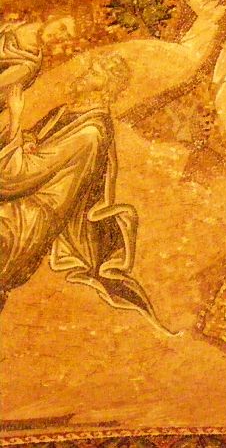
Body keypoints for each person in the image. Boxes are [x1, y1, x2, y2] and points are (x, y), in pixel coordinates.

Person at [0, 23, 170, 334]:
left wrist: (15, 117)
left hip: (26, 220)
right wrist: (24, 139)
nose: (82, 75)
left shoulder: (89, 134)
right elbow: (29, 148)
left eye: (92, 73)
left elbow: (15, 177)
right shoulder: (66, 113)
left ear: (104, 87)